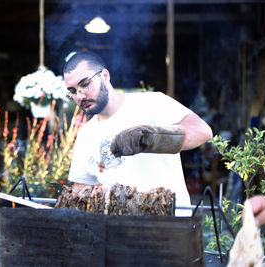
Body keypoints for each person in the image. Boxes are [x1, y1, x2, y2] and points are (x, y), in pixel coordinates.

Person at [63, 51, 213, 216]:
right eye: (72, 91)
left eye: (85, 84)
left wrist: (155, 137)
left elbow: (203, 131)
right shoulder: (86, 134)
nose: (80, 95)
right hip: (116, 232)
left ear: (105, 76)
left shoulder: (151, 103)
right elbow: (80, 190)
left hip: (170, 226)